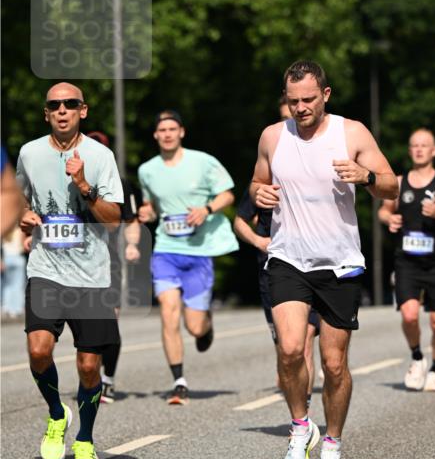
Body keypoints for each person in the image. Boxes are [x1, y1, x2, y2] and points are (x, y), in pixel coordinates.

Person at [250, 59, 398, 459]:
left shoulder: (352, 133)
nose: (301, 108)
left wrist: (366, 176)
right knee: (290, 349)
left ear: (326, 95)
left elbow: (392, 185)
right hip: (288, 259)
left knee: (334, 365)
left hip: (339, 264)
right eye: (293, 100)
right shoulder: (272, 136)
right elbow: (256, 182)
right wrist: (259, 193)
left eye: (309, 99)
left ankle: (332, 443)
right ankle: (301, 427)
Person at [16, 83, 123, 459]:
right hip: (46, 269)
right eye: (55, 105)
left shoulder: (100, 156)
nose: (63, 110)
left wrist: (83, 186)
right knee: (38, 350)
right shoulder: (29, 153)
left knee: (89, 366)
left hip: (91, 276)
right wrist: (23, 217)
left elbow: (113, 220)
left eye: (70, 104)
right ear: (46, 113)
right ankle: (57, 413)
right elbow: (18, 198)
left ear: (83, 110)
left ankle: (85, 441)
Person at [138, 110, 237, 405]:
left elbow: (228, 195)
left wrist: (206, 210)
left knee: (194, 327)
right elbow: (152, 206)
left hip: (199, 252)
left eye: (172, 129)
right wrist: (147, 213)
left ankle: (206, 322)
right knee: (168, 311)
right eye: (162, 130)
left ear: (181, 132)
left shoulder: (203, 162)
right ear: (155, 135)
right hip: (166, 250)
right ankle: (178, 382)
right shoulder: (147, 170)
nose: (167, 134)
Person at [233, 98, 321, 402]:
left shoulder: (317, 165)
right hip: (274, 269)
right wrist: (259, 241)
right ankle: (294, 379)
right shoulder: (266, 175)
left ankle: (303, 414)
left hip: (314, 265)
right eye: (284, 117)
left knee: (305, 338)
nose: (291, 121)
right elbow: (240, 221)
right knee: (288, 348)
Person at [378, 129, 435, 392]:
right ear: (409, 151)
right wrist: (390, 218)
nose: (418, 149)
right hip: (407, 260)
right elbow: (384, 210)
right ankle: (417, 357)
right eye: (414, 145)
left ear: (434, 151)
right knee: (409, 315)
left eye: (424, 145)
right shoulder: (399, 182)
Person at [86, 131, 141, 403]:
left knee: (108, 322)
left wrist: (132, 244)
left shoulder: (120, 184)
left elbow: (131, 220)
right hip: (74, 262)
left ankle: (107, 378)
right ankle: (90, 376)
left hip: (109, 261)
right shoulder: (68, 182)